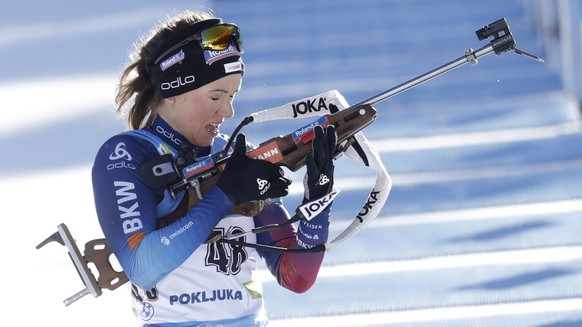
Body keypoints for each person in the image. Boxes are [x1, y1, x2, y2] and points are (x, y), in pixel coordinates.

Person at [91, 9, 338, 326]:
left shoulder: (233, 154)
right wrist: (226, 195)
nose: (229, 110)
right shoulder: (126, 154)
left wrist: (317, 202)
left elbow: (296, 276)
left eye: (233, 95)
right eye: (215, 95)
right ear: (174, 90)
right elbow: (142, 266)